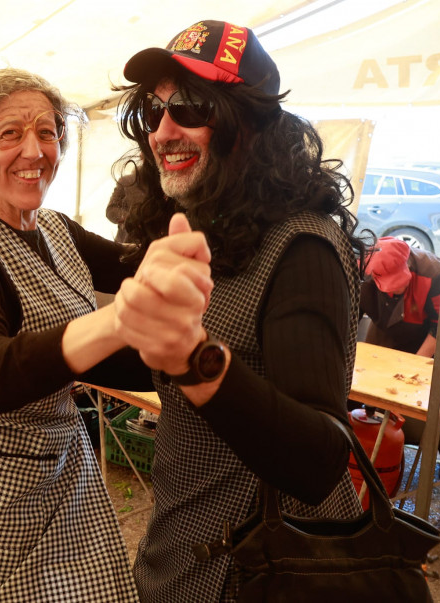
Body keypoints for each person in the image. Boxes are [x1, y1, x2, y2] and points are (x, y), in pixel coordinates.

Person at [0, 67, 209, 602]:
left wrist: (203, 237)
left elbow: (132, 265)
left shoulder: (53, 226)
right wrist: (119, 320)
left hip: (48, 453)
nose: (34, 150)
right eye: (10, 133)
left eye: (48, 132)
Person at [115, 20, 368, 600]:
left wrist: (196, 362)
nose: (164, 132)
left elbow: (321, 458)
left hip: (258, 575)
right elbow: (145, 360)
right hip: (180, 558)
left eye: (192, 109)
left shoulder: (302, 247)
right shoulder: (206, 233)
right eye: (154, 113)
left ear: (249, 124)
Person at [360, 235, 440, 467]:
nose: (394, 289)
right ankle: (371, 434)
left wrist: (412, 369)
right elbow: (350, 318)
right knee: (373, 382)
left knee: (435, 398)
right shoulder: (363, 271)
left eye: (399, 283)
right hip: (391, 322)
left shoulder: (437, 274)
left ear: (407, 265)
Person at [106, 170, 145, 243]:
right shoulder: (127, 181)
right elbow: (111, 211)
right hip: (128, 244)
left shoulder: (167, 183)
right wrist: (131, 218)